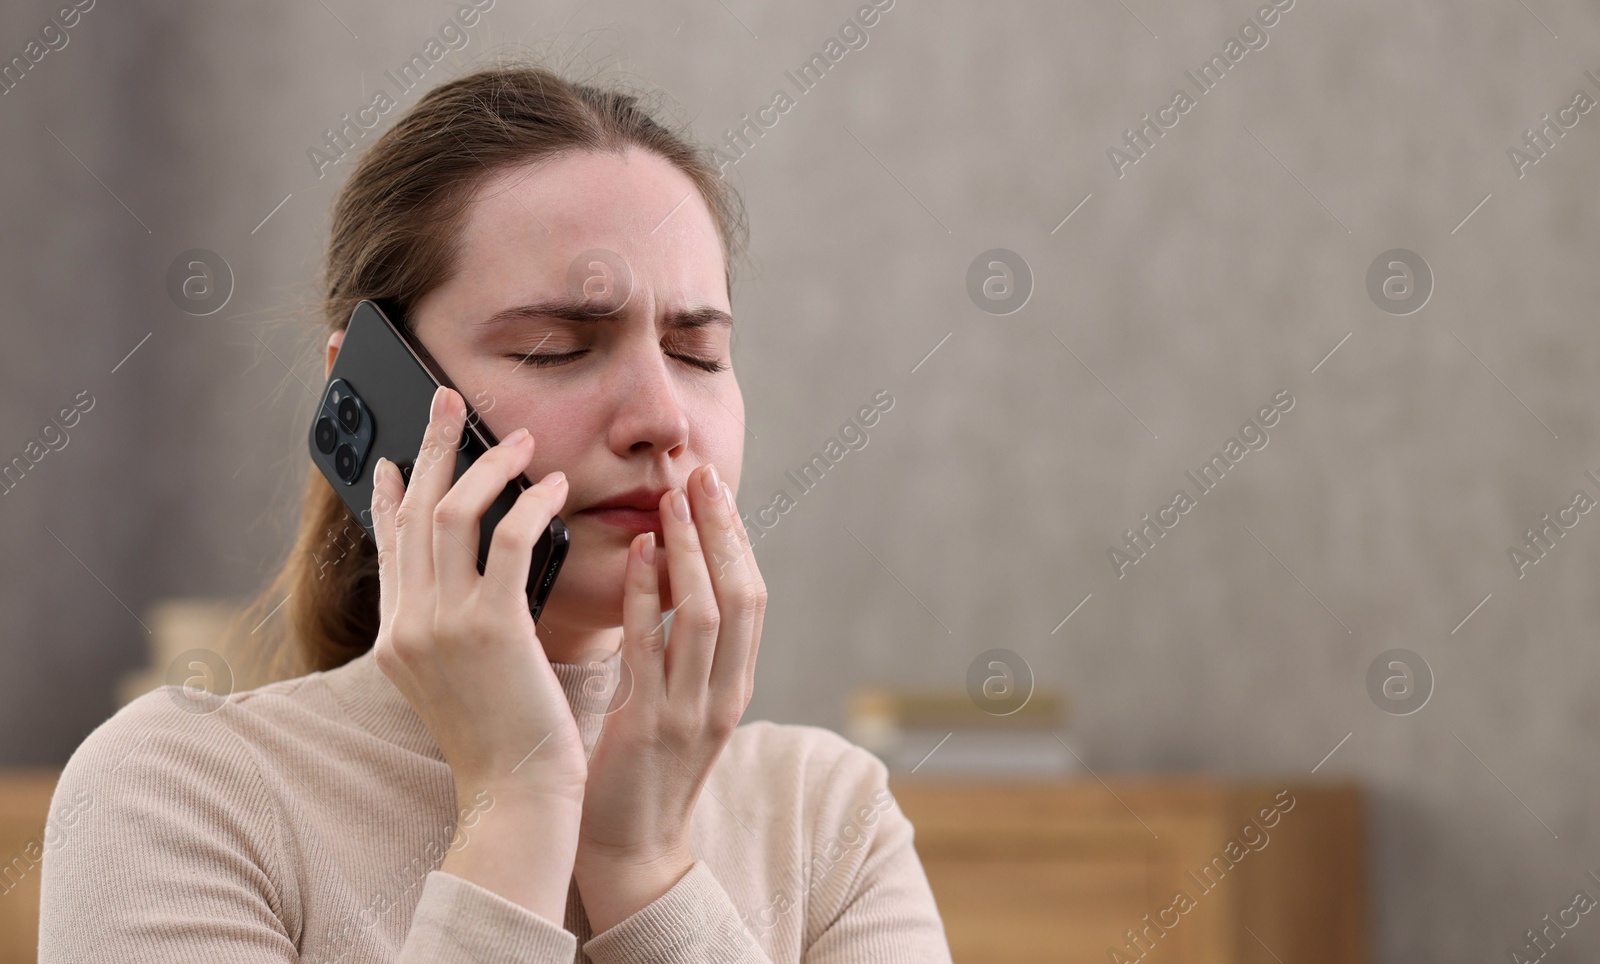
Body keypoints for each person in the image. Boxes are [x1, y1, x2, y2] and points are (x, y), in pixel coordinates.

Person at [36, 60, 954, 963]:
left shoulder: (830, 814)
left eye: (698, 353)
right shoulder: (177, 794)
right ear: (369, 392)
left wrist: (647, 872)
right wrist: (514, 811)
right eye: (557, 348)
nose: (662, 420)